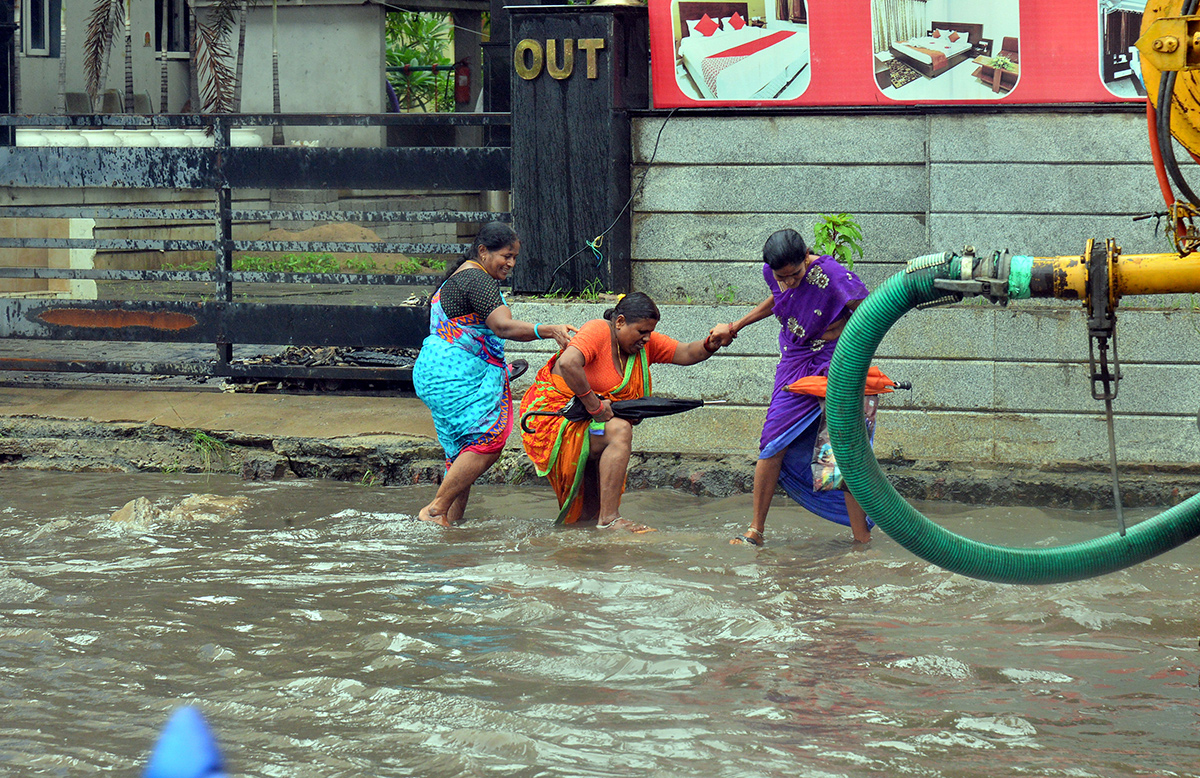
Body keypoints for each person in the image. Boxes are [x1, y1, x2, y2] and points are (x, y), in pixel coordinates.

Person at [710, 229, 874, 546]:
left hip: (835, 361)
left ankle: (861, 540)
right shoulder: (774, 275)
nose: (790, 282)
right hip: (795, 361)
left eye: (796, 274)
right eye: (782, 276)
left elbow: (867, 313)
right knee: (772, 441)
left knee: (842, 449)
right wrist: (735, 326)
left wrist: (843, 341)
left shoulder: (830, 273)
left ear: (806, 259)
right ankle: (755, 530)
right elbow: (780, 300)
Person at [519, 292, 733, 531]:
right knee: (618, 431)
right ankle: (610, 519)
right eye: (642, 331)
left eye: (650, 332)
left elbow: (687, 352)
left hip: (594, 432)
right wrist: (595, 405)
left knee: (587, 513)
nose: (647, 338)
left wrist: (711, 343)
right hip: (561, 429)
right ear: (619, 322)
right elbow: (569, 363)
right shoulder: (599, 330)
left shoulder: (643, 347)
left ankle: (595, 531)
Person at [413, 222, 577, 527]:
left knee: (462, 452)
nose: (511, 263)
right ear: (483, 251)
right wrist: (549, 329)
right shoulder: (479, 280)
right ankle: (435, 509)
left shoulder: (461, 277)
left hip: (436, 373)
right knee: (487, 442)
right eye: (506, 255)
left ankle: (448, 526)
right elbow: (502, 327)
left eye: (515, 257)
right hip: (455, 376)